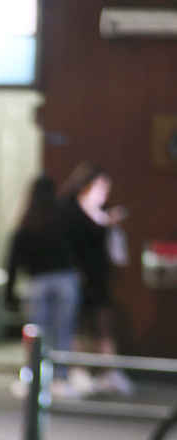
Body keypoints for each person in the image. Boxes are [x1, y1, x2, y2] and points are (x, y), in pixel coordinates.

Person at [59, 162, 133, 395]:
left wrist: (110, 225)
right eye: (99, 187)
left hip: (98, 278)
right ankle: (77, 371)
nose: (103, 193)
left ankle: (109, 372)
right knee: (74, 327)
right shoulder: (69, 209)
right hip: (73, 275)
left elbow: (117, 254)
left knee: (103, 325)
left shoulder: (105, 213)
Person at [5, 175, 82, 399]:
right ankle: (60, 379)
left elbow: (14, 257)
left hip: (37, 281)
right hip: (64, 279)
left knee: (35, 334)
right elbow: (80, 247)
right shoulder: (64, 215)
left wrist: (8, 291)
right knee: (63, 333)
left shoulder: (27, 218)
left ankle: (32, 378)